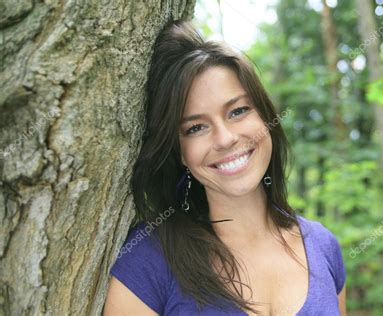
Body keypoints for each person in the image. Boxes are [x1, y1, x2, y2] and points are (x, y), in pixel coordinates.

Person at [103, 20, 347, 316]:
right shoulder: (147, 261)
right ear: (180, 152)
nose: (225, 138)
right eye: (195, 127)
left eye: (238, 111)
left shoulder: (323, 246)